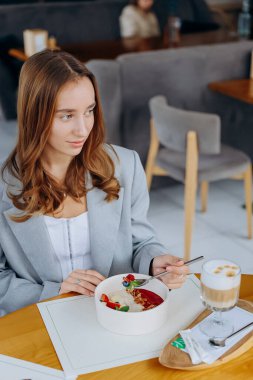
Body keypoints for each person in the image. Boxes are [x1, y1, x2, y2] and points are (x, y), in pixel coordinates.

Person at [0, 49, 189, 316]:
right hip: (41, 321)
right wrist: (54, 293)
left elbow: (141, 242)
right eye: (66, 115)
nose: (83, 129)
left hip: (117, 315)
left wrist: (154, 262)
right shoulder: (3, 187)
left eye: (89, 111)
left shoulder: (126, 165)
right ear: (35, 116)